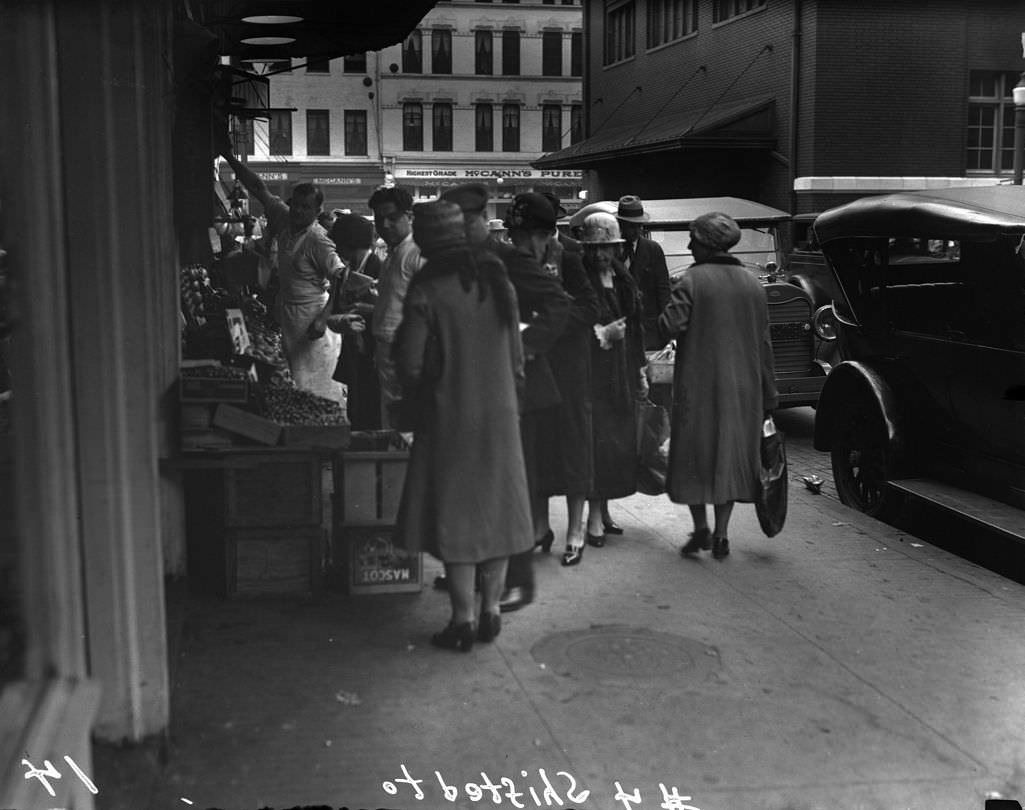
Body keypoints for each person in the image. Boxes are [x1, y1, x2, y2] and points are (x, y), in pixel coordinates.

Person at [392, 200, 533, 652]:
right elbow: (516, 358)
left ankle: (462, 620)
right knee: (498, 512)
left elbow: (410, 365)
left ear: (428, 242)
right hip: (501, 415)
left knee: (457, 516)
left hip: (449, 416)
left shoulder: (428, 288)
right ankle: (491, 610)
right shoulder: (497, 281)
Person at [439, 184, 570, 612]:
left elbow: (557, 305)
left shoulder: (511, 261)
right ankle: (481, 570)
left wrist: (520, 343)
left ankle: (520, 580)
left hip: (522, 391)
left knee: (514, 486)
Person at [657, 212, 778, 560]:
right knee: (728, 457)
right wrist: (770, 394)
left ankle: (701, 531)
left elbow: (670, 326)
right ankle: (723, 533)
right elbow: (765, 344)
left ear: (707, 245)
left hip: (699, 388)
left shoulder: (692, 281)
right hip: (744, 390)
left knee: (694, 458)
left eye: (694, 239)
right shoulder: (753, 284)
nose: (690, 245)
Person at [216, 125, 346, 402]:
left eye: (305, 207)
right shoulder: (284, 218)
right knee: (299, 384)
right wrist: (228, 157)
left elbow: (341, 277)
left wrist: (324, 319)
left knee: (318, 389)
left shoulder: (318, 241)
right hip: (288, 312)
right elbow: (258, 187)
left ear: (317, 211)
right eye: (295, 205)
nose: (298, 211)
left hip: (313, 315)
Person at [507, 195, 600, 572]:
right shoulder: (517, 261)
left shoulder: (571, 258)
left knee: (575, 444)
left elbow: (591, 307)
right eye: (516, 235)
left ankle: (575, 531)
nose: (520, 243)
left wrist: (547, 325)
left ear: (547, 233)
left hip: (570, 366)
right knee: (539, 446)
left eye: (526, 235)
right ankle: (540, 528)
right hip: (536, 367)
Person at [573, 212, 646, 564]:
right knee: (596, 445)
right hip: (590, 374)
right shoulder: (578, 279)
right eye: (596, 248)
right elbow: (569, 323)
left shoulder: (622, 277)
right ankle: (593, 519)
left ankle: (604, 511)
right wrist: (600, 335)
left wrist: (640, 371)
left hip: (620, 373)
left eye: (607, 248)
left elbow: (636, 325)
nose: (602, 255)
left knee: (616, 444)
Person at [368, 186, 425, 428]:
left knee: (403, 417)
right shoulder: (393, 253)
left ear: (409, 217)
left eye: (392, 218)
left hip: (405, 350)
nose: (385, 225)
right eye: (380, 219)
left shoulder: (416, 253)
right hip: (388, 347)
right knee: (391, 413)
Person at [328, 214, 383, 430]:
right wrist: (341, 320)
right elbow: (333, 313)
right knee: (357, 410)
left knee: (373, 412)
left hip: (375, 353)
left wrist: (368, 310)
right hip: (354, 353)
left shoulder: (379, 268)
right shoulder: (344, 273)